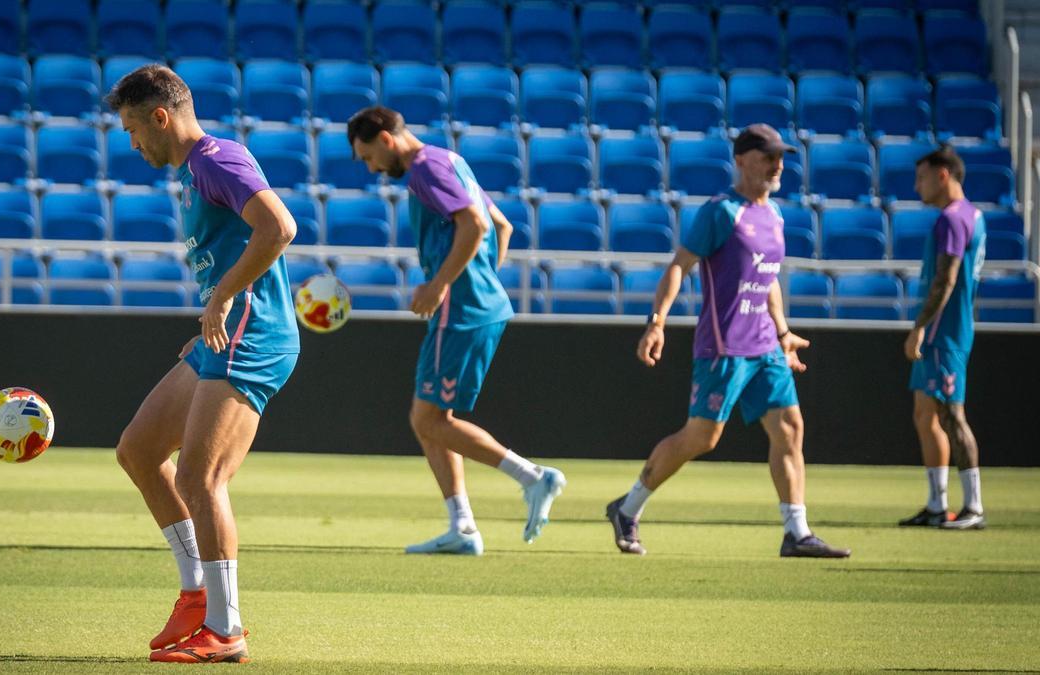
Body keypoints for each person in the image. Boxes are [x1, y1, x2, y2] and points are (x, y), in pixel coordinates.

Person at [108, 65, 300, 663]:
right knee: (139, 451)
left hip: (253, 336)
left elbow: (279, 228)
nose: (132, 143)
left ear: (160, 117)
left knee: (200, 479)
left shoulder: (217, 159)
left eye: (133, 129)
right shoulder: (195, 170)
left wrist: (220, 299)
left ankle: (226, 628)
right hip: (224, 337)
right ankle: (197, 596)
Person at [605, 123, 850, 559]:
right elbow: (679, 265)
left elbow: (767, 280)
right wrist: (657, 322)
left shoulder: (774, 216)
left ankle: (796, 532)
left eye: (781, 157)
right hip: (724, 347)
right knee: (702, 437)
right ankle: (627, 508)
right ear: (740, 160)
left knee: (790, 428)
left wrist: (782, 331)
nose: (778, 165)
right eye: (768, 156)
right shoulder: (722, 211)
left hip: (765, 347)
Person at [346, 105, 565, 555]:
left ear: (386, 139)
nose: (371, 168)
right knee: (430, 419)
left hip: (461, 311)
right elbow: (502, 226)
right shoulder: (450, 159)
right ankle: (462, 527)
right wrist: (480, 280)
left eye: (368, 157)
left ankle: (533, 477)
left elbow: (477, 224)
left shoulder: (425, 169)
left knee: (427, 420)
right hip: (475, 305)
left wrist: (442, 285)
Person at [899, 147, 987, 531]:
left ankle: (974, 507)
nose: (916, 186)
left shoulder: (952, 219)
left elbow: (946, 279)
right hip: (948, 330)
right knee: (925, 414)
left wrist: (920, 326)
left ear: (943, 175)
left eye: (921, 178)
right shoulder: (972, 216)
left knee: (952, 415)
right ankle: (937, 505)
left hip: (944, 333)